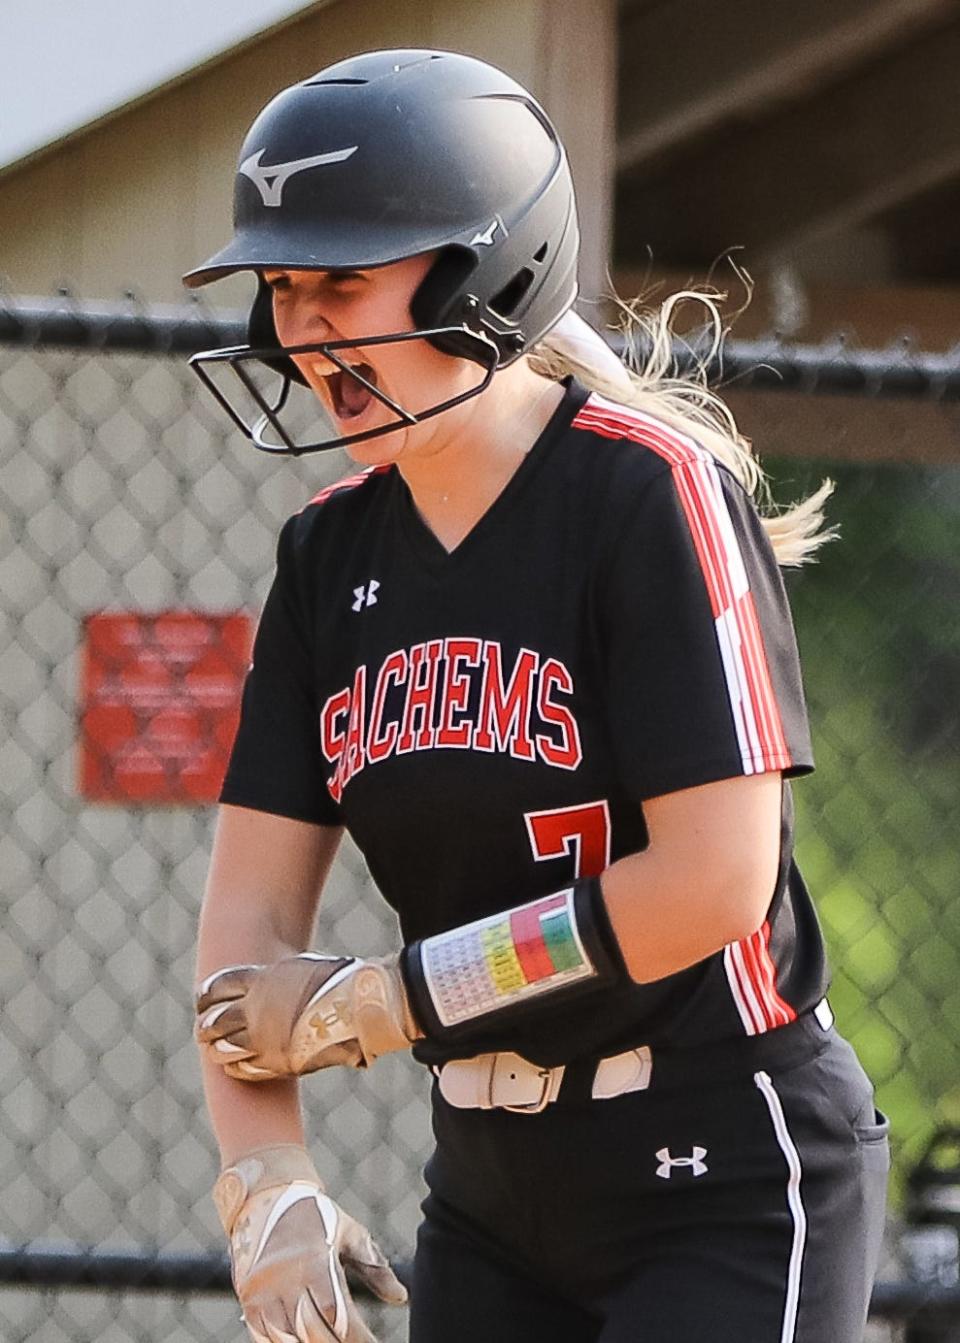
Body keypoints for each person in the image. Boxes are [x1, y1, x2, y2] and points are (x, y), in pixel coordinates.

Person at [186, 47, 889, 1343]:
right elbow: (247, 928)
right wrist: (263, 1180)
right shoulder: (326, 555)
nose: (301, 326)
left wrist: (391, 1001)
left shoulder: (642, 499)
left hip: (718, 1166)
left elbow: (713, 883)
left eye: (341, 278)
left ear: (488, 276)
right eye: (284, 287)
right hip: (494, 1196)